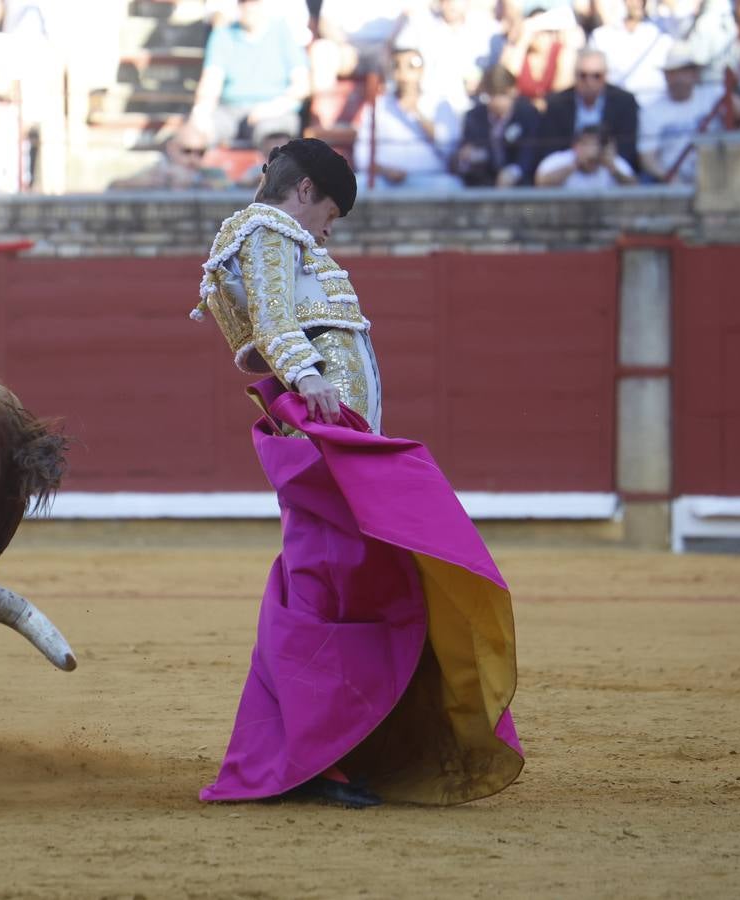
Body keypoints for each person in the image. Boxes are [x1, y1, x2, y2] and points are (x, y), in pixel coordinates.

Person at [190, 138, 522, 808]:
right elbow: (274, 326)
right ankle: (322, 754)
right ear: (305, 191)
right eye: (330, 215)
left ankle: (335, 746)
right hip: (327, 436)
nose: (327, 231)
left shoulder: (265, 236)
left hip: (338, 435)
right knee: (338, 582)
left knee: (342, 577)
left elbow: (259, 338)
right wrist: (308, 377)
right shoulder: (267, 228)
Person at [191, 0, 309, 147]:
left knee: (274, 138)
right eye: (243, 2)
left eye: (254, 2)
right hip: (229, 111)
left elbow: (302, 85)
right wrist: (201, 114)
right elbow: (211, 81)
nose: (249, 7)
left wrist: (273, 108)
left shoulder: (283, 30)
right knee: (193, 137)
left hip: (276, 112)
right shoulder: (223, 33)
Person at [517, 47, 639, 183]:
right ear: (575, 76)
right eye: (583, 75)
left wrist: (604, 157)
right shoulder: (557, 103)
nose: (589, 82)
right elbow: (549, 150)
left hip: (609, 169)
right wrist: (578, 157)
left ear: (605, 76)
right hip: (567, 170)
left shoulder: (624, 102)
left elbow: (628, 151)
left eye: (596, 76)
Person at [353, 45, 463, 190]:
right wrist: (386, 171)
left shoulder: (440, 104)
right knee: (358, 185)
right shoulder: (377, 106)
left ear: (422, 70)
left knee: (453, 186)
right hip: (386, 181)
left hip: (431, 178)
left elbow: (450, 149)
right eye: (397, 67)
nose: (404, 74)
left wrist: (416, 112)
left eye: (411, 66)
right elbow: (362, 156)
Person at [637, 42, 723, 184]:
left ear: (695, 74)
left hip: (716, 176)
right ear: (665, 76)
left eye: (683, 71)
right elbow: (647, 158)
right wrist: (669, 178)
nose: (678, 78)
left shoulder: (714, 95)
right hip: (672, 181)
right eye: (672, 73)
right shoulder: (651, 111)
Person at [454, 64, 542, 187]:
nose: (496, 101)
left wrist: (514, 171)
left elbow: (531, 151)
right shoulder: (474, 117)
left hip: (522, 186)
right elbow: (464, 154)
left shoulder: (527, 114)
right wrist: (467, 157)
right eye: (491, 94)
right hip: (482, 185)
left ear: (513, 91)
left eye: (501, 94)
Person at [107, 120, 230, 191]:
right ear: (171, 148)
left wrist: (196, 182)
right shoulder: (155, 170)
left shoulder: (213, 174)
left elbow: (230, 188)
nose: (193, 158)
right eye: (186, 151)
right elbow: (114, 185)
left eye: (200, 153)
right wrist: (149, 182)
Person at [534, 122, 637, 186]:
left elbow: (634, 189)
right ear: (575, 145)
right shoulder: (559, 160)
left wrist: (612, 168)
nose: (591, 149)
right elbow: (541, 184)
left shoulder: (614, 163)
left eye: (596, 144)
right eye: (586, 144)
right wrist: (575, 164)